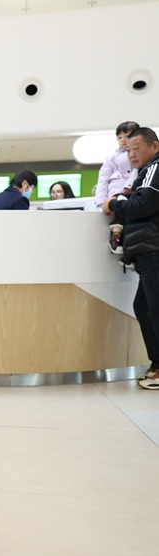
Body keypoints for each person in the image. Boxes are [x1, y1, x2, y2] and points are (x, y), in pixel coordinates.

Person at [103, 127, 159, 390]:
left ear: (154, 146)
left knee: (154, 310)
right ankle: (156, 365)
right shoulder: (146, 171)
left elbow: (143, 205)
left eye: (137, 148)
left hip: (154, 250)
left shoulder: (154, 168)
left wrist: (114, 204)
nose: (132, 154)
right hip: (148, 251)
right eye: (128, 150)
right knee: (144, 308)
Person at [94, 121, 140, 208]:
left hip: (135, 193)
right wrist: (101, 201)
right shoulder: (111, 158)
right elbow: (103, 180)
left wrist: (130, 185)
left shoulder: (141, 154)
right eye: (119, 137)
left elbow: (137, 169)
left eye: (127, 136)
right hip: (115, 193)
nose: (123, 140)